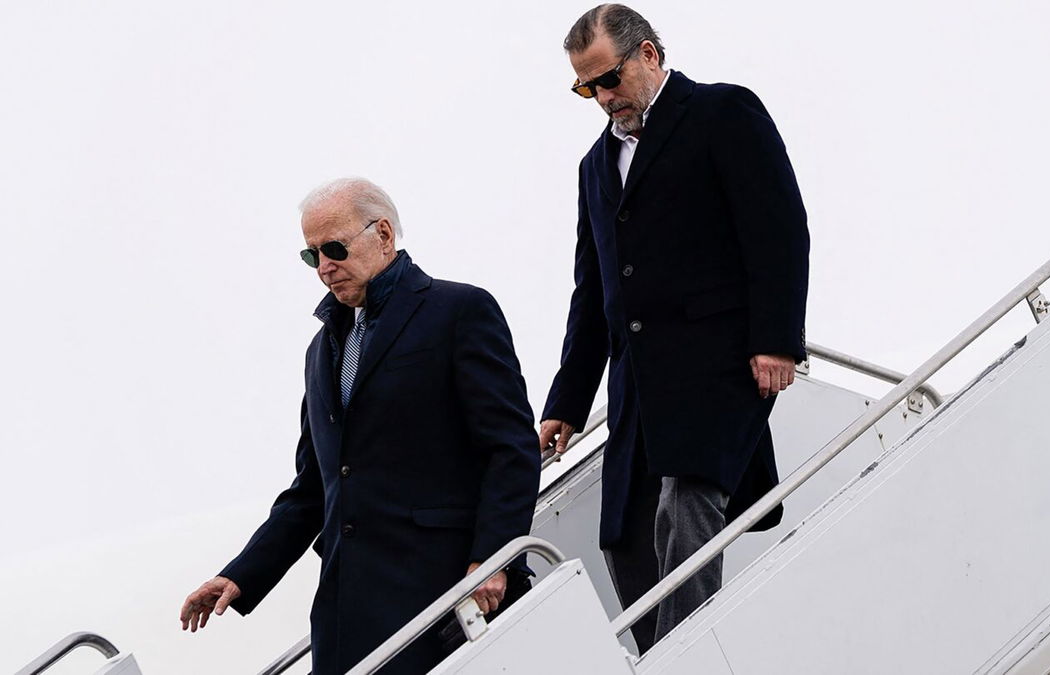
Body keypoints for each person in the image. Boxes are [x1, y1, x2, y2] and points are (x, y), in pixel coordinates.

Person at [180, 178, 541, 674]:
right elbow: (313, 489)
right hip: (348, 610)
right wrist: (242, 575)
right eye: (312, 256)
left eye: (334, 248)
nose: (325, 267)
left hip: (444, 597)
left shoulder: (458, 311)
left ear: (384, 234)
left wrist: (493, 560)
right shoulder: (320, 351)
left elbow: (511, 448)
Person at [539, 4, 810, 652]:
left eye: (608, 79)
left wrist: (776, 339)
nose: (603, 98)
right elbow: (594, 294)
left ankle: (685, 660)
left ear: (650, 55)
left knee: (686, 505)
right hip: (639, 389)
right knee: (624, 540)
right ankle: (666, 656)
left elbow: (777, 230)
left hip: (715, 368)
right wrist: (566, 403)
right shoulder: (593, 168)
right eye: (587, 88)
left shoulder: (722, 114)